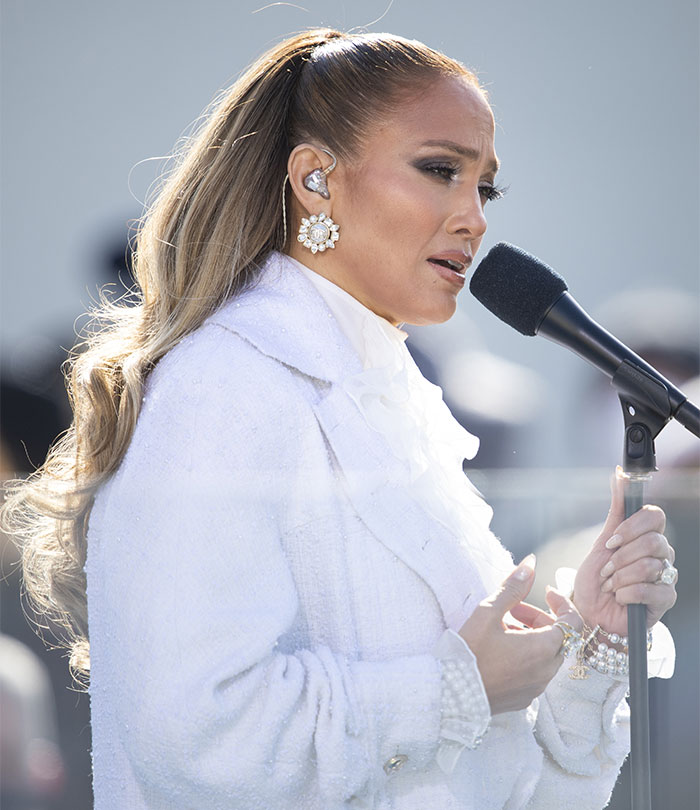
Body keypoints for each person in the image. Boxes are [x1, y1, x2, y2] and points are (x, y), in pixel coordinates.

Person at [1, 29, 679, 810]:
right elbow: (199, 740)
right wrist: (455, 685)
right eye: (439, 170)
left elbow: (497, 783)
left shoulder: (397, 406)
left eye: (484, 188)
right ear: (315, 179)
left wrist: (591, 641)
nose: (474, 218)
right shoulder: (223, 386)